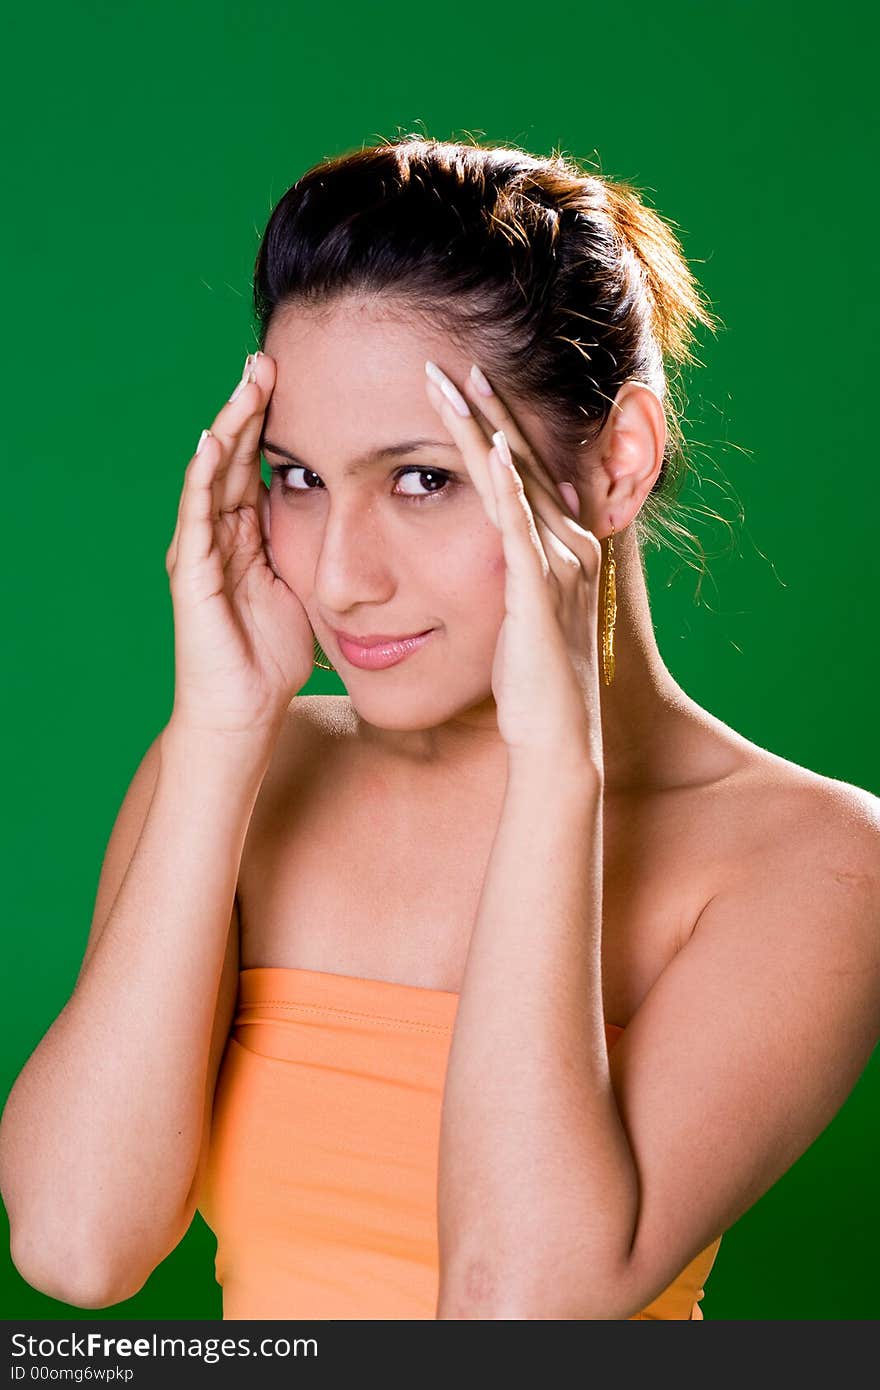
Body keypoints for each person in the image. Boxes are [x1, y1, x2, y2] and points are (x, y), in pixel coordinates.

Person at [1, 135, 877, 1322]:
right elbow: (73, 1244)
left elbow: (513, 1303)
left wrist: (554, 773)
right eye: (298, 477)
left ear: (615, 463)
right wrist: (216, 731)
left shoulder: (815, 862)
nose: (343, 577)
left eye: (421, 478)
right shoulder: (246, 773)